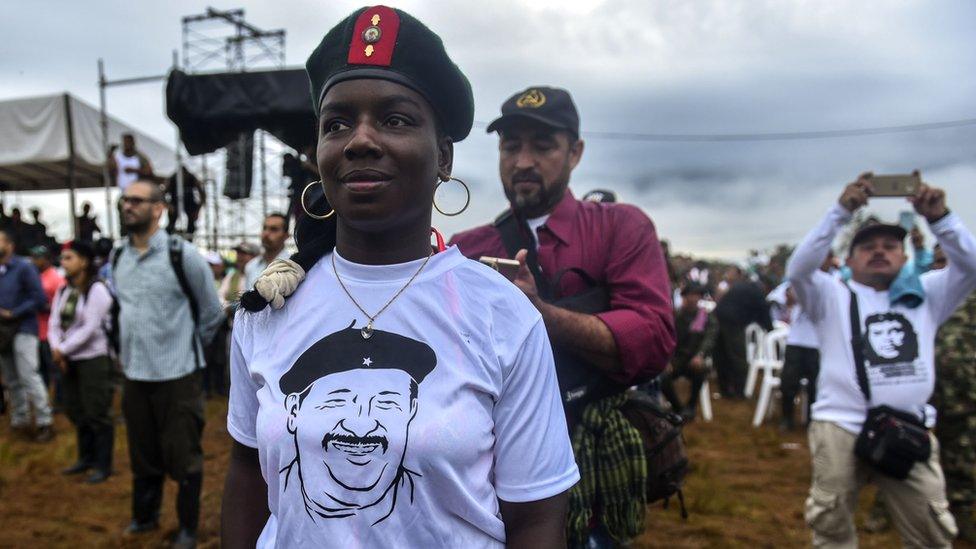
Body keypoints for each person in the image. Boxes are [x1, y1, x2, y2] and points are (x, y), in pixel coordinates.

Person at [223, 7, 578, 548]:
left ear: (443, 156)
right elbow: (247, 474)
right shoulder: (267, 308)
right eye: (337, 123)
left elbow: (536, 519)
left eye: (395, 119)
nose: (359, 140)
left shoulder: (502, 316)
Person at [449, 85, 675, 546]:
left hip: (590, 461)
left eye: (543, 145)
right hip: (492, 467)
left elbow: (653, 340)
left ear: (575, 152)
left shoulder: (621, 226)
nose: (523, 161)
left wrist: (540, 316)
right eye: (511, 146)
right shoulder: (467, 248)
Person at [787, 173, 976, 548]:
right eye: (867, 246)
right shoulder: (830, 294)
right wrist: (840, 211)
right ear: (850, 258)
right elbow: (798, 269)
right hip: (840, 424)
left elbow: (970, 266)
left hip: (908, 427)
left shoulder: (927, 293)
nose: (879, 250)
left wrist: (941, 219)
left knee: (931, 529)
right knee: (831, 521)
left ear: (905, 257)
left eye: (890, 245)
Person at [113, 179, 223, 546]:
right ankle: (145, 517)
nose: (128, 206)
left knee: (183, 455)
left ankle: (188, 527)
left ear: (158, 209)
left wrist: (187, 350)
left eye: (137, 201)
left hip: (177, 374)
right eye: (125, 200)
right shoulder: (118, 256)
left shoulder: (182, 254)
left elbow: (211, 313)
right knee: (142, 452)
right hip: (134, 374)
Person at [48, 240, 116, 484]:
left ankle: (103, 464)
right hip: (69, 358)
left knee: (97, 410)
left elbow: (90, 327)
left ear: (84, 262)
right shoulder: (64, 290)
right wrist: (58, 348)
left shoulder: (97, 290)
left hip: (93, 358)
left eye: (69, 258)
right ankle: (85, 458)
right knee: (74, 407)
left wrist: (61, 350)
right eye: (63, 258)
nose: (63, 263)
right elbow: (54, 322)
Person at [931, 259, 976, 542]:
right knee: (905, 448)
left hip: (965, 388)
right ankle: (884, 507)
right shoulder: (928, 290)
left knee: (960, 451)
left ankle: (959, 509)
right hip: (924, 388)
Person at [0, 229, 53, 441]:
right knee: (11, 378)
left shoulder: (24, 267)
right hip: (3, 331)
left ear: (10, 245)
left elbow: (39, 299)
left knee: (28, 374)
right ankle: (19, 420)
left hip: (23, 327)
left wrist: (14, 312)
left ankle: (44, 421)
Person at [712, 265, 773, 398]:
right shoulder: (757, 292)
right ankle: (740, 391)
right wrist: (771, 331)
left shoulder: (743, 287)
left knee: (721, 355)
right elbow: (764, 315)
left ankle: (724, 389)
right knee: (738, 357)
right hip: (733, 323)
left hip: (718, 319)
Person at [660, 283, 716, 421]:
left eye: (696, 295)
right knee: (661, 376)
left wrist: (700, 355)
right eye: (690, 295)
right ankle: (678, 408)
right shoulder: (674, 316)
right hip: (676, 360)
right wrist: (666, 360)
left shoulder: (706, 318)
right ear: (684, 297)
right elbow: (665, 339)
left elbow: (709, 339)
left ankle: (691, 406)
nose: (693, 299)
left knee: (700, 371)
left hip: (695, 359)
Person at [30, 245, 65, 401]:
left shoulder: (56, 278)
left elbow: (63, 304)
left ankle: (59, 400)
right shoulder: (35, 275)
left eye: (38, 258)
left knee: (54, 369)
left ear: (46, 259)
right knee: (41, 369)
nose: (34, 261)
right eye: (33, 257)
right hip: (36, 330)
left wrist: (44, 306)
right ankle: (44, 399)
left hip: (50, 332)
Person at [107, 133, 154, 236]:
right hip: (124, 192)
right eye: (124, 142)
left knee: (139, 218)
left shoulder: (139, 157)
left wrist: (135, 170)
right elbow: (110, 168)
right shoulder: (118, 156)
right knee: (124, 216)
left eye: (128, 142)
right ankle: (125, 236)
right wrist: (110, 153)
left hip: (138, 193)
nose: (126, 144)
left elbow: (149, 171)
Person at [242, 213, 290, 290]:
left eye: (274, 229)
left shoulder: (291, 265)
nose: (266, 233)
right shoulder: (251, 266)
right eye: (264, 228)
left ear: (286, 236)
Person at [165, 166, 206, 237]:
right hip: (175, 203)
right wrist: (169, 206)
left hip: (189, 203)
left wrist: (198, 210)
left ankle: (189, 240)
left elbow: (203, 195)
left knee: (191, 225)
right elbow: (162, 194)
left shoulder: (192, 178)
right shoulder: (172, 179)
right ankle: (169, 238)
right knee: (171, 225)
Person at [219, 243, 258, 308]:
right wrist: (228, 307)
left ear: (255, 257)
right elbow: (220, 295)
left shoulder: (260, 275)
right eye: (238, 253)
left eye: (243, 253)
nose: (239, 256)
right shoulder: (232, 276)